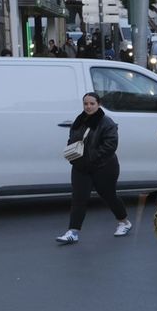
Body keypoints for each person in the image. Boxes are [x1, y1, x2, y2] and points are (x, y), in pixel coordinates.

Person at [57, 93, 132, 243]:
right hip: (80, 167)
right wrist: (74, 159)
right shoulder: (79, 121)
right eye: (86, 104)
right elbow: (72, 140)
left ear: (98, 104)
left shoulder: (106, 122)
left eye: (92, 103)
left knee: (109, 195)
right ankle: (73, 232)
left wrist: (90, 159)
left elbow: (110, 146)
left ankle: (124, 222)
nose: (88, 107)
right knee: (79, 198)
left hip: (104, 166)